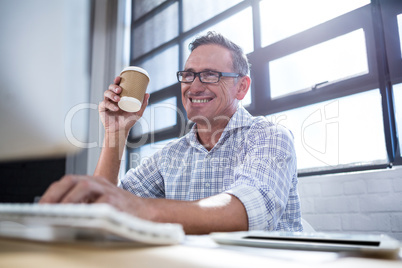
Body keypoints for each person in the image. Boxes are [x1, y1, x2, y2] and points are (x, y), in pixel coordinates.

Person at [40, 32, 302, 234]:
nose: (194, 86)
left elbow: (248, 211)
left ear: (241, 87)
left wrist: (140, 209)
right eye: (188, 75)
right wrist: (116, 133)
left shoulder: (269, 137)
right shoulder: (171, 156)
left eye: (210, 75)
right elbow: (102, 205)